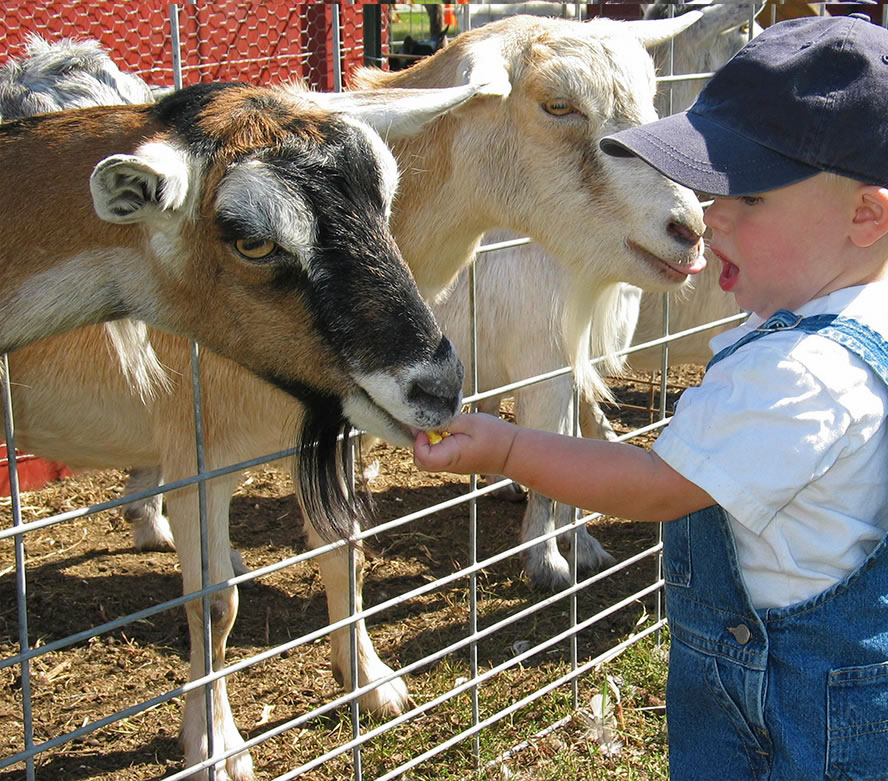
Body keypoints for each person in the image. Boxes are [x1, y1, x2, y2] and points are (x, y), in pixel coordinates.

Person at [413, 14, 888, 781]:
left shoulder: (797, 374)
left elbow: (654, 487)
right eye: (710, 186)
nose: (708, 213)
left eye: (750, 198)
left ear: (866, 216)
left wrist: (506, 447)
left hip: (783, 720)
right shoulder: (866, 320)